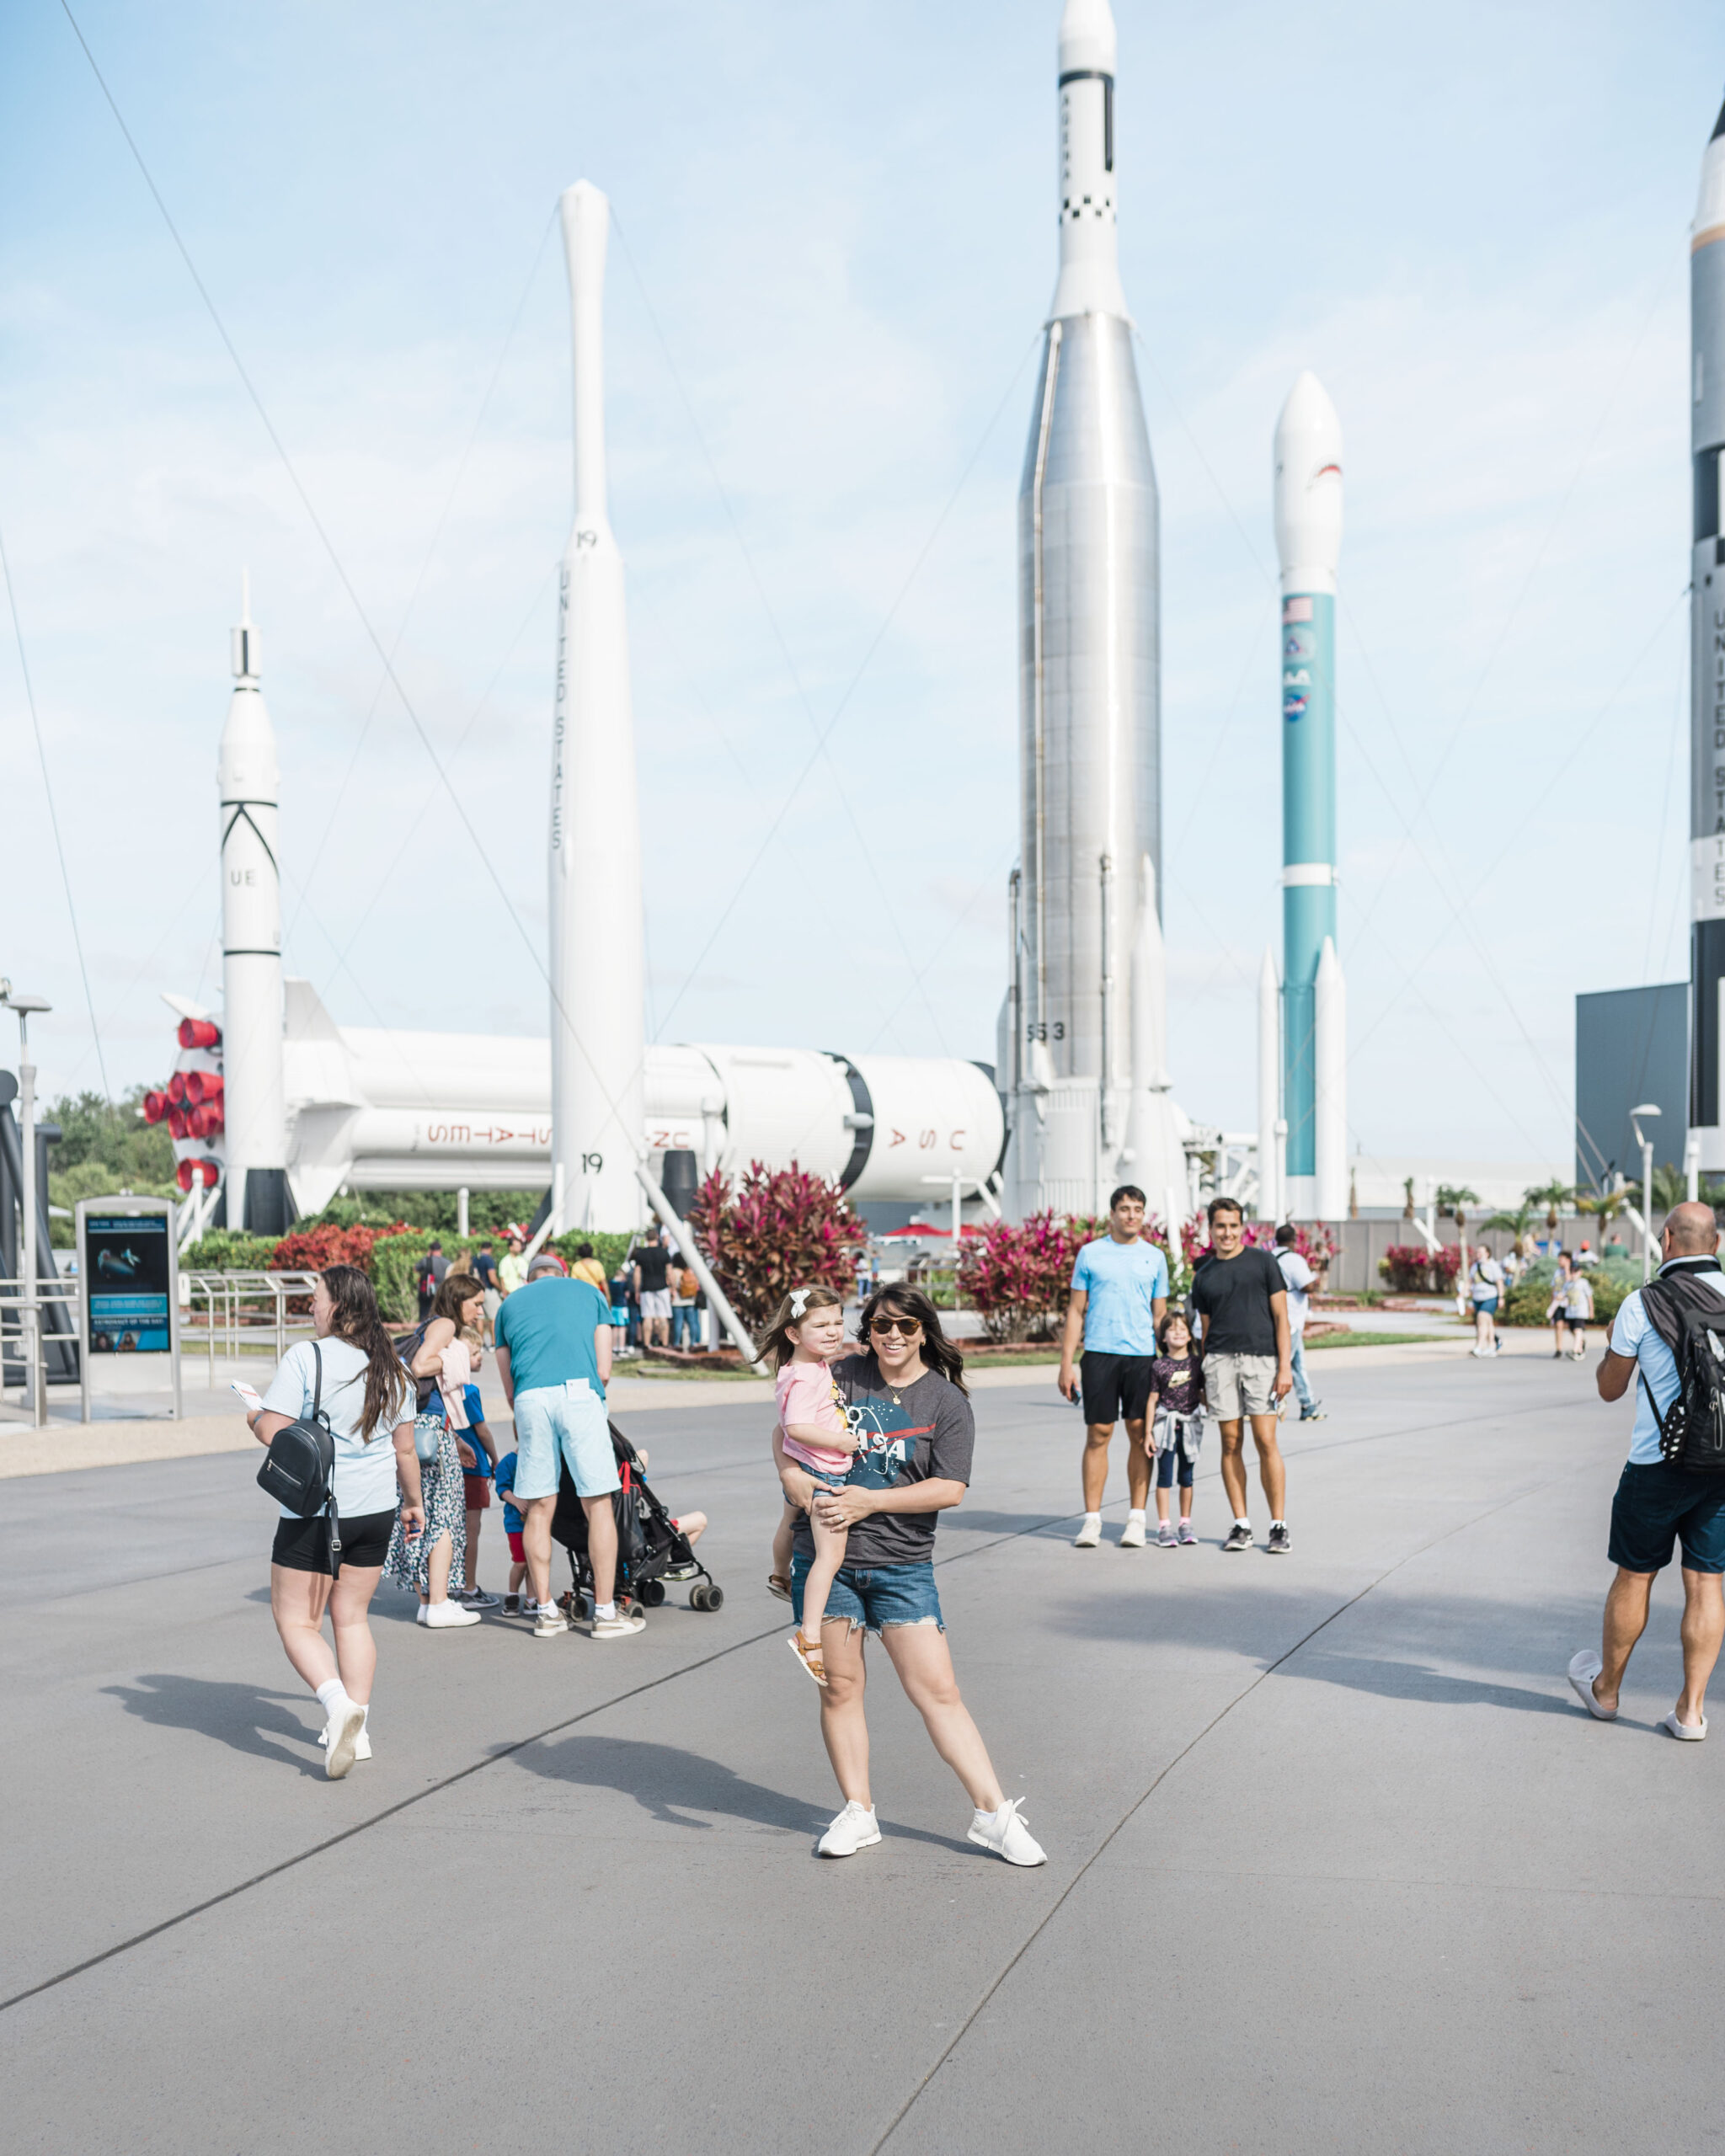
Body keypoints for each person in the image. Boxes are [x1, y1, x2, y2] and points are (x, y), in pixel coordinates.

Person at [774, 1283, 1046, 1865]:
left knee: (938, 1693)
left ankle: (993, 1815)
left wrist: (870, 1503)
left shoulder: (945, 1403)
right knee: (840, 1690)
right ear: (866, 1330)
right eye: (879, 1325)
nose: (892, 1336)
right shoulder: (842, 1373)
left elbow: (949, 1488)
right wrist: (789, 1475)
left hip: (902, 1565)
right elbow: (786, 1425)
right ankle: (858, 1811)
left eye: (905, 1326)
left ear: (925, 1330)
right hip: (827, 1560)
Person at [248, 1264, 418, 1778]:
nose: (312, 1306)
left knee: (296, 1620)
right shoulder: (393, 1366)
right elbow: (405, 1449)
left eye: (317, 1298)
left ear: (339, 1305)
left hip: (318, 1510)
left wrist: (255, 1412)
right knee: (352, 1617)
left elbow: (274, 1433)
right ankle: (358, 1730)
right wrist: (414, 1503)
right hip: (376, 1511)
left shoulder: (306, 1357)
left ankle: (338, 1705)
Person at [1569, 1201, 1725, 1739]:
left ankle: (1607, 1692)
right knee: (1707, 1583)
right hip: (1722, 1466)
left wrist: (1615, 1339)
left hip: (1657, 1466)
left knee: (1635, 1576)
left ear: (1666, 1240)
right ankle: (1691, 1712)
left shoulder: (1643, 1302)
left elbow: (1610, 1388)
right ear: (1717, 1245)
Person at [494, 1251, 644, 1640]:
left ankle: (544, 1611)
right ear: (561, 1273)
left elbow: (507, 1381)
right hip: (579, 1395)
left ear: (530, 1279)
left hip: (530, 1399)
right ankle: (606, 1613)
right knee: (598, 1503)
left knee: (539, 1508)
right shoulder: (589, 1293)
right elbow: (605, 1370)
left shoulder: (509, 1304)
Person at [1056, 1183, 1170, 1549]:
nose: (1131, 1215)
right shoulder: (1090, 1254)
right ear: (1113, 1214)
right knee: (1098, 1434)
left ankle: (1137, 1519)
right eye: (1124, 1208)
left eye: (1138, 1208)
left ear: (1144, 1214)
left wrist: (1170, 1364)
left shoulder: (1155, 1257)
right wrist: (1066, 1364)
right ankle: (1092, 1521)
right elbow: (1076, 1311)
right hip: (1100, 1355)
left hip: (1142, 1357)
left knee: (1140, 1433)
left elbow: (1161, 1316)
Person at [766, 1285, 862, 1684]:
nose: (833, 1331)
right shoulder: (806, 1378)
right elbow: (796, 1426)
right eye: (820, 1325)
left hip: (804, 1469)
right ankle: (809, 1637)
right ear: (793, 1333)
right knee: (830, 1557)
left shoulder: (802, 1367)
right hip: (823, 1475)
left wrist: (844, 1353)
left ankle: (778, 1573)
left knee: (790, 1524)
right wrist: (841, 1441)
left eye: (838, 1322)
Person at [1190, 1196, 1294, 1554]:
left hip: (1262, 1362)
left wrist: (1285, 1367)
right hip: (1219, 1363)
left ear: (1242, 1227)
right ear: (1211, 1228)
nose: (1227, 1233)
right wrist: (1202, 1377)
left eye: (1234, 1226)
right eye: (1220, 1226)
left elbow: (1282, 1318)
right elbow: (1205, 1332)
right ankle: (1242, 1525)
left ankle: (1278, 1526)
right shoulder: (1203, 1275)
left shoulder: (1264, 1263)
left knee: (1266, 1440)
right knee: (1230, 1443)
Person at [384, 1273, 486, 1630]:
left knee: (417, 1513)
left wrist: (456, 1438)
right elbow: (421, 1366)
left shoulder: (429, 1323)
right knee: (442, 1515)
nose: (480, 1310)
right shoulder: (444, 1324)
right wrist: (453, 1363)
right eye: (476, 1303)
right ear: (458, 1300)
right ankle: (441, 1601)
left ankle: (426, 1602)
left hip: (418, 1428)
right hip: (430, 1434)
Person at [451, 1326, 502, 1609]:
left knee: (453, 1529)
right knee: (472, 1530)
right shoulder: (468, 1392)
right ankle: (468, 1587)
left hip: (453, 1468)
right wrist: (495, 1459)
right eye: (474, 1352)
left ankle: (451, 1582)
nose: (481, 1356)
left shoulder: (445, 1392)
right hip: (473, 1468)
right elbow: (482, 1431)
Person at [1147, 1309, 1204, 1547]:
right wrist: (1147, 1433)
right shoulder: (1159, 1366)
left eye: (1183, 1329)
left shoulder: (1197, 1364)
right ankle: (1164, 1526)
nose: (1178, 1333)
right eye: (1172, 1329)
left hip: (1189, 1426)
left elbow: (1203, 1394)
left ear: (1190, 1335)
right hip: (1165, 1427)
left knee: (1187, 1477)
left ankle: (1185, 1523)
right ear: (1163, 1337)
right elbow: (1152, 1400)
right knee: (1164, 1477)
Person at [1274, 1223, 1326, 1419]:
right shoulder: (1294, 1259)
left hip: (1278, 1317)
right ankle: (1272, 1404)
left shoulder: (1269, 1256)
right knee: (1287, 1365)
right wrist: (1314, 1276)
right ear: (1294, 1240)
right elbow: (1307, 1287)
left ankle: (1308, 1405)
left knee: (1296, 1364)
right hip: (1291, 1319)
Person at [494, 1447, 528, 1614]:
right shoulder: (508, 1462)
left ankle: (533, 1599)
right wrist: (517, 1501)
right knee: (521, 1562)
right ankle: (512, 1596)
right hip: (516, 1523)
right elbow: (502, 1488)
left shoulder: (538, 1459)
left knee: (534, 1563)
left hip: (535, 1521)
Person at [634, 1226, 674, 1350]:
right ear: (657, 1237)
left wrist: (637, 1291)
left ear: (646, 1238)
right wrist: (673, 1288)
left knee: (647, 1317)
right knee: (663, 1317)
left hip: (646, 1288)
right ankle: (665, 1345)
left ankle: (646, 1345)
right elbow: (670, 1272)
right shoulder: (664, 1253)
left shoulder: (641, 1254)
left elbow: (637, 1274)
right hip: (662, 1287)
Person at [1468, 1243, 1505, 1358]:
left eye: (1480, 1253)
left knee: (1482, 1317)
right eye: (1477, 1252)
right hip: (1477, 1298)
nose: (1478, 1255)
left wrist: (1501, 1297)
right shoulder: (1475, 1266)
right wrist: (1462, 1294)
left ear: (1487, 1254)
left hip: (1490, 1297)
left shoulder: (1493, 1266)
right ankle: (1492, 1346)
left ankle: (1479, 1346)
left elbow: (1499, 1282)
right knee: (1487, 1322)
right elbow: (1470, 1281)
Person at [472, 1241, 501, 1345]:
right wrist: (500, 1288)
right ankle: (493, 1342)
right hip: (488, 1290)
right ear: (490, 1249)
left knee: (480, 1317)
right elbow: (492, 1278)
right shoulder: (488, 1260)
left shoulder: (475, 1258)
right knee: (493, 1317)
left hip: (476, 1290)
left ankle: (482, 1343)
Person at [1564, 1262, 1594, 1359]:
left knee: (1578, 1330)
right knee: (1572, 1330)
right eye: (1572, 1271)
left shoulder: (1583, 1282)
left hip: (1581, 1311)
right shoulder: (1568, 1284)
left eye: (1575, 1271)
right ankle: (1580, 1348)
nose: (1573, 1273)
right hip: (1571, 1311)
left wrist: (1591, 1310)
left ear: (1580, 1272)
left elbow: (1589, 1297)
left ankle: (1575, 1351)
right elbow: (1564, 1296)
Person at [414, 1239, 449, 1322]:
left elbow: (415, 1269)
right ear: (441, 1250)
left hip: (427, 1292)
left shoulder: (425, 1260)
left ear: (431, 1250)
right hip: (441, 1292)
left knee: (425, 1314)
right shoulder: (447, 1262)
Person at [1547, 1252, 1573, 1358]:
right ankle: (1558, 1349)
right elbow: (1553, 1288)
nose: (1559, 1261)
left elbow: (1569, 1281)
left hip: (1569, 1302)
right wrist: (1552, 1302)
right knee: (1558, 1325)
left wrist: (1567, 1268)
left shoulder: (1573, 1270)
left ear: (1568, 1260)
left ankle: (1580, 1340)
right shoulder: (1557, 1272)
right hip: (1558, 1303)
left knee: (1572, 1327)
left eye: (1561, 1259)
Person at [670, 1256, 699, 1350]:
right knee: (692, 1322)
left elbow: (670, 1285)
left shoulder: (673, 1272)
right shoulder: (689, 1271)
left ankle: (676, 1343)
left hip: (677, 1302)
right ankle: (693, 1342)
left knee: (678, 1323)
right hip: (690, 1300)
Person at [498, 1232, 527, 1300]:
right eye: (517, 1246)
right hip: (510, 1294)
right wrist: (504, 1293)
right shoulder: (505, 1261)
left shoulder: (522, 1260)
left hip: (522, 1292)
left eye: (520, 1246)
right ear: (510, 1247)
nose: (519, 1248)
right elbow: (502, 1278)